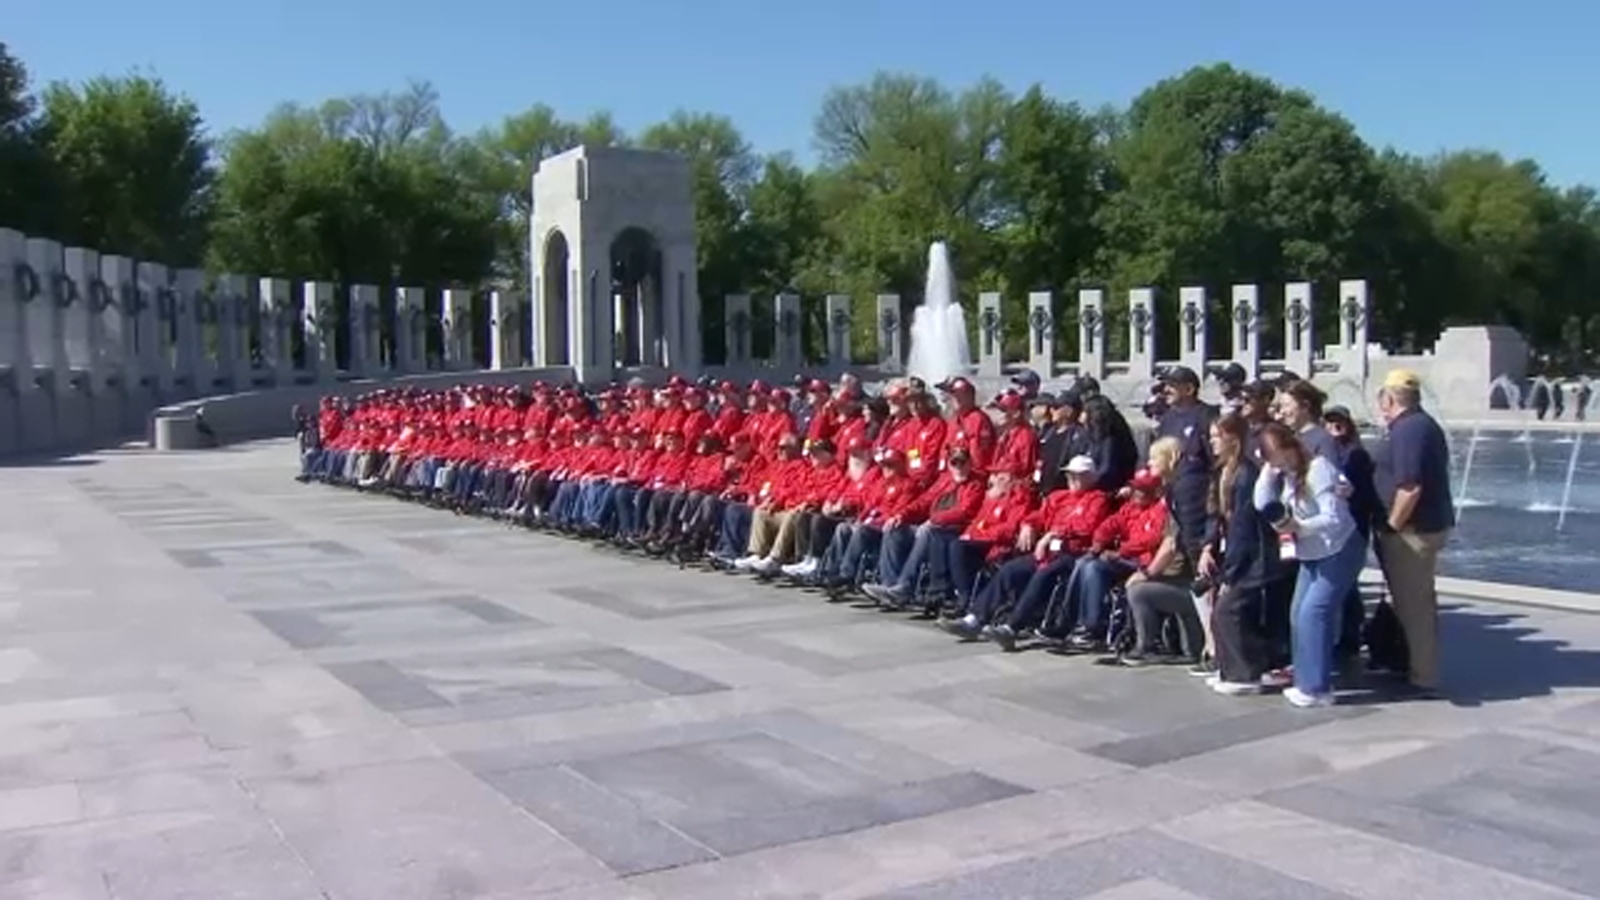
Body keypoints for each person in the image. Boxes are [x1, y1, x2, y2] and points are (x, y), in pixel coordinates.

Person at [1255, 422, 1366, 708]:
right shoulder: (1288, 474)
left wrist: (1299, 527)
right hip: (1312, 553)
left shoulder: (1318, 469)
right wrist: (1268, 471)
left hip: (1339, 548)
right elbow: (1261, 503)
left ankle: (1317, 688)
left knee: (1313, 613)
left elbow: (1333, 517)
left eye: (1280, 456)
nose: (1279, 463)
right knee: (1297, 614)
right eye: (1272, 459)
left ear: (1291, 446)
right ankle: (1305, 679)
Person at [1372, 369, 1455, 696]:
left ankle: (1424, 677)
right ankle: (1411, 664)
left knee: (1414, 607)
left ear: (1389, 399)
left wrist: (1392, 526)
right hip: (1421, 526)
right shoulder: (1420, 424)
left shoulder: (1409, 430)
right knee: (1415, 602)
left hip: (1412, 531)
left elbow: (1410, 487)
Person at [1204, 414, 1292, 694]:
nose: (1212, 442)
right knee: (1230, 611)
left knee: (1229, 611)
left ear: (1232, 439)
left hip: (1256, 557)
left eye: (1217, 437)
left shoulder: (1245, 476)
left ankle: (1245, 673)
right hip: (1241, 553)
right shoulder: (1227, 472)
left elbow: (1243, 526)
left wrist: (1231, 570)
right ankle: (1230, 668)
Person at [1154, 365, 1216, 562]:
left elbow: (1215, 461)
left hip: (1198, 501)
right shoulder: (1167, 419)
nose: (1166, 390)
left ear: (1189, 389)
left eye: (1172, 385)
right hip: (1173, 497)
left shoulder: (1206, 416)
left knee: (1195, 548)